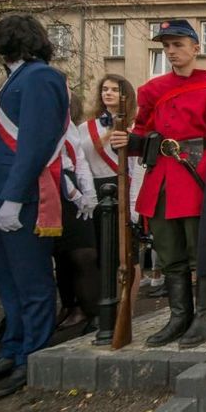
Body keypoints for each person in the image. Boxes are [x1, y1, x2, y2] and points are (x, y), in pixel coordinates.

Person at [110, 19, 206, 348]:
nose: (171, 51)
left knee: (199, 251)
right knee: (169, 252)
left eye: (178, 44)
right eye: (166, 46)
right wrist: (128, 141)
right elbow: (144, 131)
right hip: (161, 179)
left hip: (195, 180)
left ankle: (204, 317)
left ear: (196, 48)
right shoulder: (152, 91)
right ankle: (179, 316)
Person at [0, 15, 69, 397]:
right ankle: (12, 350)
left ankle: (32, 356)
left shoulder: (41, 78)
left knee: (32, 282)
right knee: (9, 283)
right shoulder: (16, 80)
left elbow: (35, 144)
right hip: (3, 196)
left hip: (22, 198)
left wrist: (14, 196)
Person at [81, 73, 145, 343]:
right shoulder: (87, 127)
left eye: (114, 90)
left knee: (128, 255)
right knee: (98, 254)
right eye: (104, 89)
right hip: (95, 190)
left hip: (124, 188)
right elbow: (81, 161)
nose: (107, 94)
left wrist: (134, 204)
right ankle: (102, 311)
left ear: (125, 95)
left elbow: (138, 167)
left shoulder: (134, 127)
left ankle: (125, 309)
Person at [52, 91, 99, 335]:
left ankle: (92, 312)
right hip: (53, 185)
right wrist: (72, 192)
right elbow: (50, 159)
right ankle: (70, 306)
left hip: (74, 185)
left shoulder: (68, 123)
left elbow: (78, 158)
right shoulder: (42, 118)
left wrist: (87, 192)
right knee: (62, 256)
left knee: (83, 254)